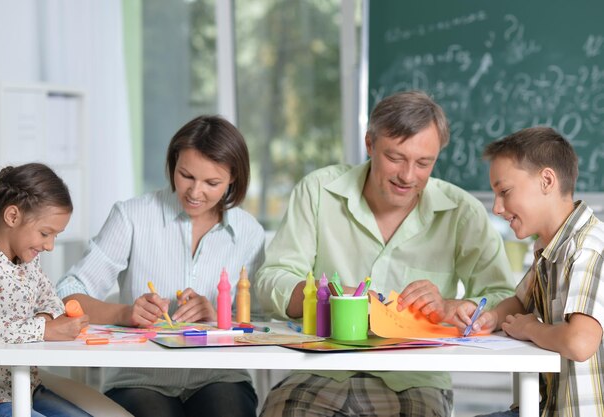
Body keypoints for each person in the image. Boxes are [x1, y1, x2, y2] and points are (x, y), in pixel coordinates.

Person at [254, 90, 515, 417]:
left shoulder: (462, 212)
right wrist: (326, 296)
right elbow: (271, 279)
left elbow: (503, 294)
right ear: (369, 144)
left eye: (424, 163)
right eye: (395, 158)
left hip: (413, 378)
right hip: (320, 368)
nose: (408, 176)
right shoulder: (318, 191)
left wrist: (454, 306)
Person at [57, 115, 265, 417]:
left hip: (220, 376)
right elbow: (68, 294)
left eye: (212, 182)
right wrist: (125, 313)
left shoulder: (249, 232)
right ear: (173, 164)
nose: (195, 192)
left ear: (233, 178)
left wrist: (221, 315)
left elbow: (262, 319)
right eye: (186, 176)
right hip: (140, 379)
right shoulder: (131, 217)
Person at [472, 127, 604, 416]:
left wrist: (529, 329)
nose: (496, 208)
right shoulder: (549, 248)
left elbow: (580, 343)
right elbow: (520, 302)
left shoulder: (585, 249)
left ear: (547, 180)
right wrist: (491, 318)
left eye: (504, 192)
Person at [0, 163, 91, 417]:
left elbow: (51, 300)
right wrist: (43, 329)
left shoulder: (28, 263)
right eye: (45, 233)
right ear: (13, 217)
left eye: (55, 236)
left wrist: (47, 317)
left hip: (27, 387)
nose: (49, 245)